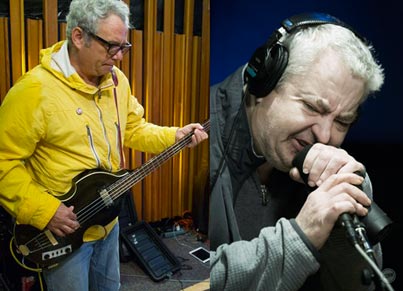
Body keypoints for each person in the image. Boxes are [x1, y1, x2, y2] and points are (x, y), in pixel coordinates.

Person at [0, 0, 208, 290]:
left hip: (108, 223)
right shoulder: (33, 91)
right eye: (112, 46)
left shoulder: (116, 81)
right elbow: (3, 164)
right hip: (63, 230)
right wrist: (45, 211)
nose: (119, 57)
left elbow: (133, 129)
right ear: (78, 36)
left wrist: (175, 135)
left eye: (124, 47)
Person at [209, 12, 386, 291]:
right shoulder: (189, 137)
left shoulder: (315, 159)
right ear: (264, 83)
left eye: (342, 121)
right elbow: (186, 281)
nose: (325, 136)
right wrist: (300, 238)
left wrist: (350, 200)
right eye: (313, 108)